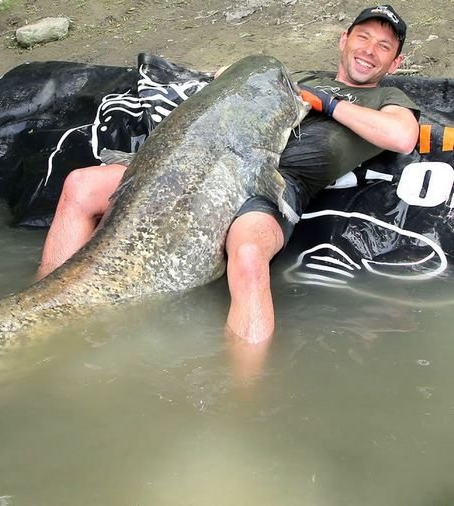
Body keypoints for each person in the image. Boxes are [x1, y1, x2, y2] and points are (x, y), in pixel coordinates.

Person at [35, 5, 419, 364]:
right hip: (206, 161)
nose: (369, 50)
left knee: (249, 255)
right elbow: (224, 77)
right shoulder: (295, 78)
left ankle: (243, 394)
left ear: (395, 62)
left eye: (383, 46)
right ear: (344, 39)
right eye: (363, 37)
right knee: (81, 184)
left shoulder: (386, 97)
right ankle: (44, 301)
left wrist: (328, 104)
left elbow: (402, 137)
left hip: (271, 185)